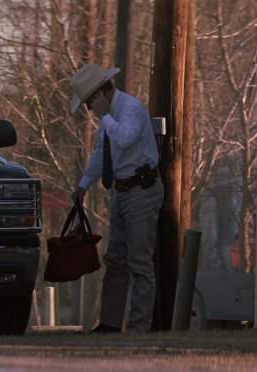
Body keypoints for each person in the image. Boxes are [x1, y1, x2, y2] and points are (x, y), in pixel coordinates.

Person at [69, 64, 163, 334]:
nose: (89, 109)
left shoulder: (130, 109)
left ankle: (138, 327)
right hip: (122, 192)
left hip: (142, 191)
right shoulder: (107, 118)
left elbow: (124, 138)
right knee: (116, 259)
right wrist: (83, 185)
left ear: (99, 95)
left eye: (89, 102)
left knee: (140, 262)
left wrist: (104, 117)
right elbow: (101, 153)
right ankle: (110, 324)